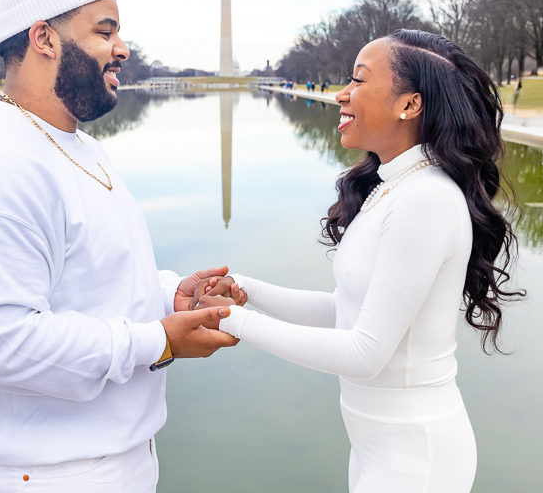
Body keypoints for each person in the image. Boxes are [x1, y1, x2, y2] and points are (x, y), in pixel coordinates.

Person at [0, 0, 243, 493]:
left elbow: (92, 277)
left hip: (103, 464)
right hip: (39, 477)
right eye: (105, 31)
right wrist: (155, 342)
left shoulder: (75, 144)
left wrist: (168, 298)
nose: (123, 48)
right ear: (44, 37)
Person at [198, 30, 522, 492]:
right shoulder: (394, 186)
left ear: (409, 105)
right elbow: (345, 311)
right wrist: (249, 291)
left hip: (414, 457)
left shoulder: (424, 198)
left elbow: (364, 353)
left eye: (358, 80)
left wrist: (233, 321)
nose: (340, 94)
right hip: (379, 446)